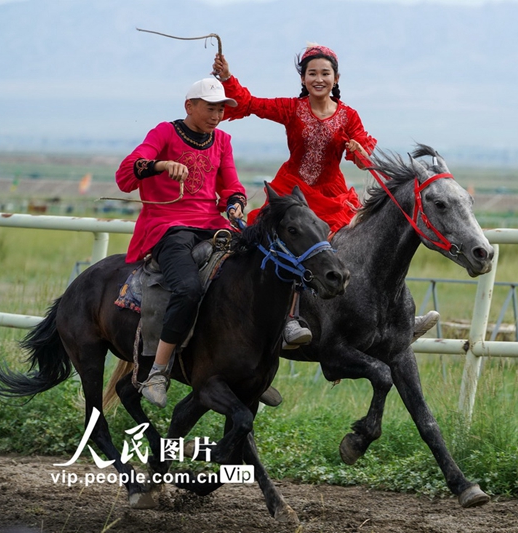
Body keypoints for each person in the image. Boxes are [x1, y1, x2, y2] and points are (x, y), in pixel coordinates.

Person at [211, 44, 439, 348]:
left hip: (332, 196)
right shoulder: (291, 109)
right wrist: (228, 77)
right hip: (293, 194)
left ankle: (397, 318)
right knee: (286, 250)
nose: (319, 78)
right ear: (303, 78)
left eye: (325, 73)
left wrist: (359, 151)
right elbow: (250, 103)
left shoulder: (348, 116)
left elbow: (363, 159)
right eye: (312, 73)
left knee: (371, 247)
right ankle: (289, 319)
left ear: (336, 78)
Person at [115, 78, 247, 408]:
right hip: (167, 226)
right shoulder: (164, 133)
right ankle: (158, 371)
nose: (217, 116)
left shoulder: (223, 140)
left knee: (256, 271)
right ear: (190, 106)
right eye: (211, 108)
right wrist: (161, 165)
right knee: (187, 289)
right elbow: (126, 173)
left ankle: (248, 366)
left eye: (221, 110)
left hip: (213, 225)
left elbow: (231, 185)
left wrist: (235, 204)